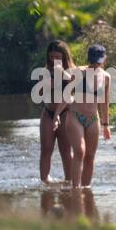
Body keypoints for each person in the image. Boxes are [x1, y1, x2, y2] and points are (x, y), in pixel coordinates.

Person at [61, 43, 110, 188]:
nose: (96, 63)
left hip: (93, 119)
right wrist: (57, 115)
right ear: (89, 59)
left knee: (90, 157)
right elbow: (65, 95)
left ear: (103, 59)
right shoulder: (77, 73)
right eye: (94, 60)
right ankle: (75, 189)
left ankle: (86, 189)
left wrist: (106, 125)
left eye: (99, 60)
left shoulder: (106, 77)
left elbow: (104, 102)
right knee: (80, 151)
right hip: (75, 116)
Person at [36, 41, 76, 184]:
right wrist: (46, 85)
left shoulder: (71, 71)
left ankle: (70, 181)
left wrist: (61, 74)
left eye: (57, 57)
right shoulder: (45, 71)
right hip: (48, 112)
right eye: (51, 57)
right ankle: (45, 182)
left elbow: (72, 90)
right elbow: (38, 93)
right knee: (46, 149)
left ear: (64, 57)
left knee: (65, 151)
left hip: (66, 113)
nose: (54, 61)